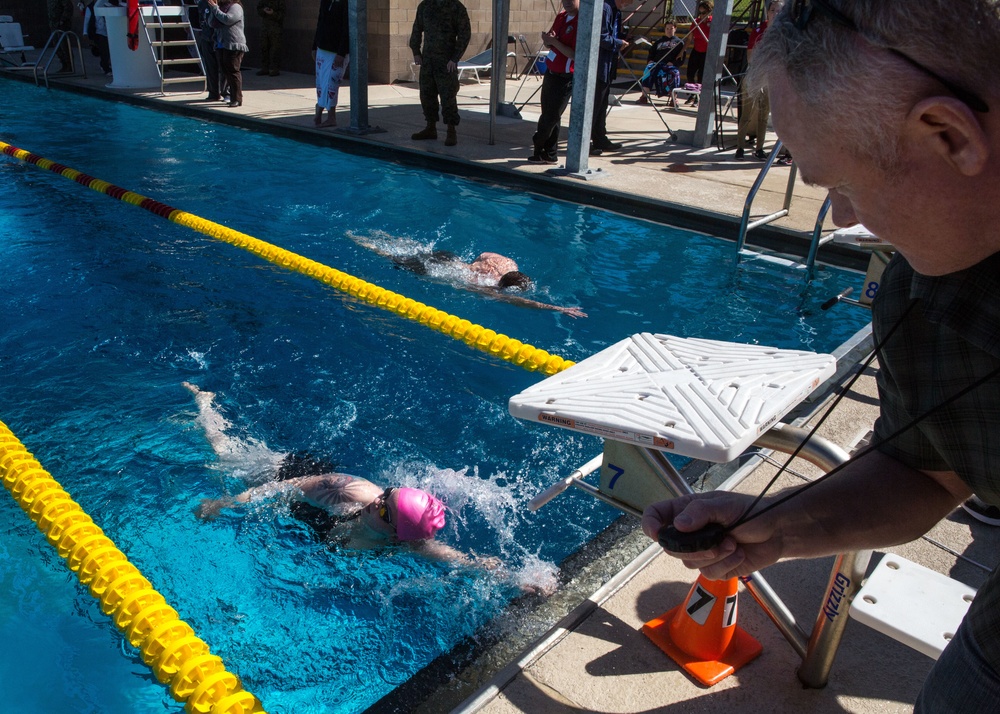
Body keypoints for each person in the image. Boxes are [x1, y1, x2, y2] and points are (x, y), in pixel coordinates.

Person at [641, 1, 1000, 711]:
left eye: (843, 185)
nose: (843, 220)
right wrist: (774, 527)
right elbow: (925, 473)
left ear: (949, 135)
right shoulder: (923, 299)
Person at [184, 383, 498, 569]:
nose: (378, 502)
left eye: (386, 509)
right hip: (297, 476)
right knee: (225, 455)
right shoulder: (352, 492)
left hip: (314, 515)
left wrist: (492, 570)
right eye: (387, 493)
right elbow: (283, 487)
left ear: (396, 533)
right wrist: (223, 504)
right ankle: (205, 403)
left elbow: (448, 556)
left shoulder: (406, 543)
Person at [348, 232, 587, 317]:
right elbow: (520, 302)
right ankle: (361, 242)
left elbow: (483, 254)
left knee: (412, 248)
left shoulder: (506, 262)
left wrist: (473, 266)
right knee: (389, 256)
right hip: (436, 271)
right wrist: (557, 309)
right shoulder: (487, 286)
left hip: (450, 258)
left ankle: (375, 236)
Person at [408, 0, 471, 147]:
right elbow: (417, 29)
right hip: (428, 61)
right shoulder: (425, 6)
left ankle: (451, 130)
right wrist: (416, 51)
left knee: (448, 95)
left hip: (446, 62)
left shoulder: (456, 7)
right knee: (426, 94)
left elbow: (465, 34)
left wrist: (455, 58)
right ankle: (431, 128)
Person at [528, 0, 580, 164]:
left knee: (551, 116)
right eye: (564, 0)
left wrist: (555, 42)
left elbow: (573, 54)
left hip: (565, 76)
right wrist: (547, 40)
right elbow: (551, 43)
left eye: (571, 0)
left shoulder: (582, 21)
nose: (567, 3)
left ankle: (538, 142)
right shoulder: (561, 17)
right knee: (549, 115)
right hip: (551, 71)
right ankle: (549, 153)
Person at [735, 1, 782, 160]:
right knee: (746, 114)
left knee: (764, 115)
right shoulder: (759, 31)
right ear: (768, 13)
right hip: (756, 75)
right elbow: (750, 55)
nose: (775, 13)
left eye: (779, 11)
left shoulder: (783, 32)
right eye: (773, 10)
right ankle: (740, 147)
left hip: (771, 78)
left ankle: (759, 148)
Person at [590, 0, 629, 156]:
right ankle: (586, 141)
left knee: (602, 105)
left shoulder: (616, 12)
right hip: (599, 64)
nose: (629, 4)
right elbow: (601, 37)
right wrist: (618, 43)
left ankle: (600, 137)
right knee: (594, 106)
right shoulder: (605, 8)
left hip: (608, 64)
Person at [312, 0, 350, 128]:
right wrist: (314, 46)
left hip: (337, 50)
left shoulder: (346, 3)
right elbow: (320, 21)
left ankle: (331, 116)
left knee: (332, 82)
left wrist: (341, 52)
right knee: (322, 82)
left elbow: (347, 27)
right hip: (323, 48)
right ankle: (320, 106)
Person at [206, 0, 247, 108]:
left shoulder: (236, 7)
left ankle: (237, 98)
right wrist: (213, 9)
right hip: (221, 43)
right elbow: (211, 23)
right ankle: (232, 96)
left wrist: (215, 9)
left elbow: (228, 19)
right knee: (225, 71)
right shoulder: (219, 7)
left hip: (234, 44)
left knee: (233, 71)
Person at [636, 18, 685, 105]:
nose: (669, 31)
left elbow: (681, 58)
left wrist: (673, 63)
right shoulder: (658, 42)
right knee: (648, 70)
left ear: (675, 29)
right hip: (657, 64)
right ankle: (644, 96)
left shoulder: (679, 43)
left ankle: (674, 99)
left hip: (670, 65)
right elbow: (651, 53)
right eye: (667, 28)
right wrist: (650, 60)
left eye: (671, 28)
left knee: (675, 73)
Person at [196, 0, 225, 101]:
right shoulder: (202, 3)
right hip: (206, 37)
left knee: (224, 67)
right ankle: (213, 92)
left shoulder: (223, 2)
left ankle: (226, 92)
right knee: (210, 67)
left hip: (220, 38)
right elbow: (201, 20)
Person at [684, 1, 713, 86]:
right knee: (690, 73)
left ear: (709, 12)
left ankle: (699, 96)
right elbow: (689, 38)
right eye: (700, 13)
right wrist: (682, 50)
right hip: (696, 50)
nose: (702, 15)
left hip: (706, 52)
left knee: (701, 75)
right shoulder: (696, 22)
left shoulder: (713, 23)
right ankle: (692, 94)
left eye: (704, 13)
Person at [255, 0, 284, 77]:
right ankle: (265, 68)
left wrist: (272, 13)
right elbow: (258, 9)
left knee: (275, 49)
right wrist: (264, 10)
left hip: (275, 29)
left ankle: (275, 69)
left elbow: (282, 15)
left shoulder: (279, 2)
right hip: (265, 28)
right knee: (264, 47)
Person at [47, 0, 74, 73]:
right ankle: (64, 64)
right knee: (56, 45)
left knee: (64, 45)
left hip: (62, 25)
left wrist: (63, 19)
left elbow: (68, 7)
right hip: (54, 25)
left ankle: (69, 65)